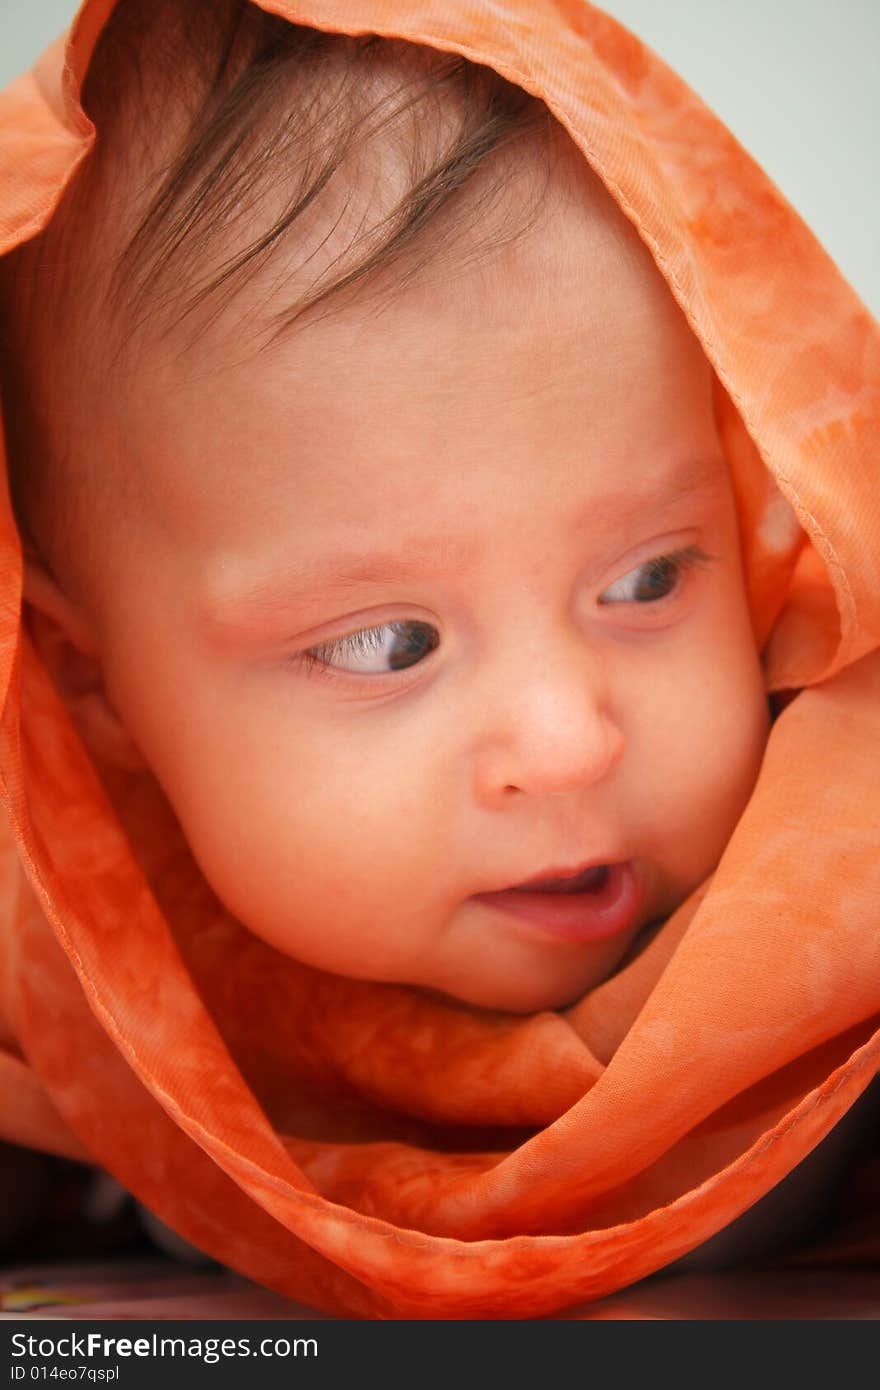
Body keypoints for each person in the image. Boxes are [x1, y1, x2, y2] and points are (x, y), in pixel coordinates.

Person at [0, 0, 877, 1318]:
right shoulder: (58, 1036)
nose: (570, 739)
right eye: (386, 643)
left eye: (647, 576)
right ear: (87, 681)